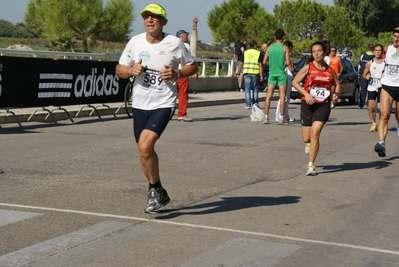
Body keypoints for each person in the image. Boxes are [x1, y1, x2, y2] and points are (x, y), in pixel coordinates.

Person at [115, 3, 198, 213]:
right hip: (140, 104)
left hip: (163, 103)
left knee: (145, 146)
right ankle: (157, 189)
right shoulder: (135, 42)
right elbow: (119, 69)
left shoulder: (175, 43)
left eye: (155, 17)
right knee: (143, 152)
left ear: (164, 22)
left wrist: (178, 73)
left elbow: (192, 66)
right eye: (146, 17)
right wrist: (130, 70)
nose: (150, 20)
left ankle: (153, 190)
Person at [292, 41, 341, 176]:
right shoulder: (308, 67)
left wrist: (336, 94)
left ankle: (311, 165)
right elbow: (295, 82)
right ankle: (308, 144)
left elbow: (337, 85)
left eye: (319, 51)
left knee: (315, 133)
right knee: (306, 137)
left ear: (324, 52)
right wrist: (306, 94)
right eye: (314, 52)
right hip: (307, 104)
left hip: (323, 105)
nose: (316, 53)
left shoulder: (330, 70)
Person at [374, 28, 399, 157]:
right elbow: (376, 55)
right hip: (387, 85)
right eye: (395, 36)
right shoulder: (387, 48)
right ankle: (381, 143)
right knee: (384, 114)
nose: (397, 39)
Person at [262, 29, 291, 125]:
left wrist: (272, 64)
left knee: (268, 96)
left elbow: (264, 61)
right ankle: (281, 118)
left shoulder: (270, 47)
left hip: (272, 73)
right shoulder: (285, 48)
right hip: (281, 74)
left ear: (275, 37)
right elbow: (287, 63)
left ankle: (266, 117)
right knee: (282, 96)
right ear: (283, 37)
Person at [176, 29, 198, 122]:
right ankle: (182, 114)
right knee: (183, 94)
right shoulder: (186, 46)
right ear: (181, 36)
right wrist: (194, 71)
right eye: (186, 35)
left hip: (171, 72)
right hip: (182, 73)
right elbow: (189, 61)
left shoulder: (171, 44)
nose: (187, 37)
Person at [362, 44, 385, 132]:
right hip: (372, 86)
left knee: (380, 108)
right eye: (376, 50)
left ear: (382, 52)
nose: (378, 52)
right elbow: (364, 74)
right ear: (373, 51)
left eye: (379, 50)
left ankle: (381, 122)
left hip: (382, 87)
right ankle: (373, 123)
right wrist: (366, 76)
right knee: (370, 107)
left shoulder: (385, 63)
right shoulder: (369, 63)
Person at [275, 40, 295, 122]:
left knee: (285, 97)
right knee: (284, 97)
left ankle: (285, 115)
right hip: (287, 75)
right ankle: (280, 115)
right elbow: (288, 64)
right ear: (289, 47)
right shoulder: (286, 54)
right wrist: (293, 68)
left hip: (282, 74)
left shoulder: (279, 54)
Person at [243, 40, 263, 108]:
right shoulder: (258, 53)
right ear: (254, 45)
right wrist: (261, 75)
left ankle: (248, 104)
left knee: (247, 88)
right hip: (255, 72)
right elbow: (260, 65)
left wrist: (238, 72)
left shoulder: (245, 52)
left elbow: (241, 62)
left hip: (247, 72)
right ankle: (255, 104)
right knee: (255, 88)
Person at [358, 44, 375, 109]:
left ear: (368, 48)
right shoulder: (374, 57)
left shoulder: (363, 56)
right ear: (373, 49)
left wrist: (359, 74)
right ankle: (369, 104)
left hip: (363, 74)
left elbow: (360, 65)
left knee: (363, 89)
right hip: (372, 75)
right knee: (371, 90)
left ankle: (361, 104)